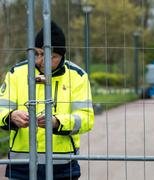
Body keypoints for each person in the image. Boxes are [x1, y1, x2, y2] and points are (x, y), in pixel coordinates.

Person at [0, 21, 94, 180]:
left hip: (62, 165)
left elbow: (86, 119)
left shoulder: (78, 76)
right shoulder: (16, 73)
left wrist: (58, 122)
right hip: (21, 163)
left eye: (52, 56)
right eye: (37, 54)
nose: (41, 61)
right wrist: (10, 116)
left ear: (62, 54)